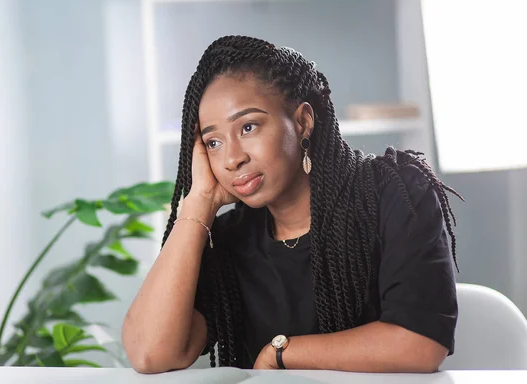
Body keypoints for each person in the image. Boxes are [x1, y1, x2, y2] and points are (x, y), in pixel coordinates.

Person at [122, 35, 461, 374]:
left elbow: (420, 343)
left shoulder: (395, 192)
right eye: (213, 142)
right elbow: (150, 353)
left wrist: (283, 352)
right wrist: (199, 205)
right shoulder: (228, 240)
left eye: (248, 127)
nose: (232, 158)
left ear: (303, 121)